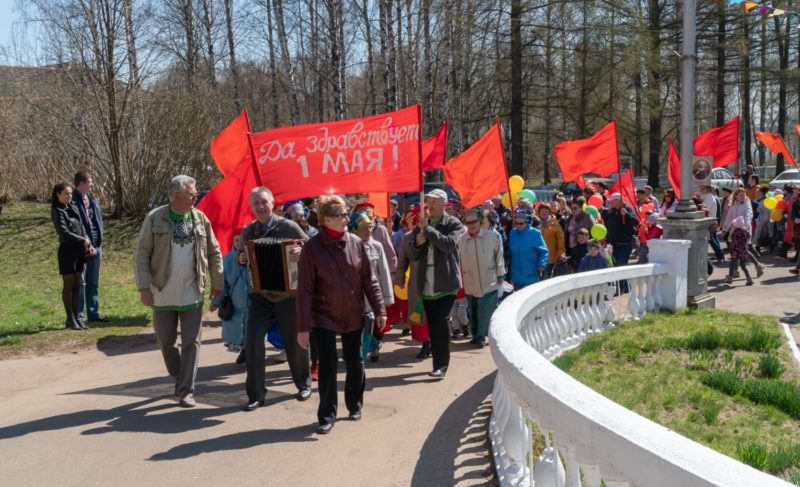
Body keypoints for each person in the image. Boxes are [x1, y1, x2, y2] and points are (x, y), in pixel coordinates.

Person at [296, 195, 386, 435]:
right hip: (324, 314)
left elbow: (369, 279)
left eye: (346, 213)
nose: (346, 218)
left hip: (354, 312)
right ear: (326, 220)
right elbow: (304, 290)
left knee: (355, 361)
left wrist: (379, 309)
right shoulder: (312, 249)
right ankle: (326, 415)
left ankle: (354, 404)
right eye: (341, 215)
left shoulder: (356, 243)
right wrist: (303, 327)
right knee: (327, 364)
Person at [134, 175, 223, 408]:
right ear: (176, 196)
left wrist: (217, 283)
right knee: (166, 341)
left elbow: (214, 252)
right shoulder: (155, 218)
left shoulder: (200, 219)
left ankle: (186, 390)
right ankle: (179, 375)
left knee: (191, 342)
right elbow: (141, 255)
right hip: (162, 290)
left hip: (193, 290)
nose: (196, 197)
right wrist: (144, 288)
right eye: (192, 194)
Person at [240, 187, 311, 411]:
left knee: (295, 341)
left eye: (264, 202)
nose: (260, 207)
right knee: (252, 341)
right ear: (251, 207)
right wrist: (241, 258)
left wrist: (302, 252)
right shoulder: (249, 231)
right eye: (256, 204)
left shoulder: (288, 226)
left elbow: (312, 247)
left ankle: (303, 383)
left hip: (288, 294)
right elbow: (244, 259)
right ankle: (256, 395)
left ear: (273, 203)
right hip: (260, 295)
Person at [406, 189, 464, 379]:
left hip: (446, 282)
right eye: (428, 202)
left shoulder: (453, 223)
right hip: (427, 283)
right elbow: (412, 254)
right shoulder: (423, 223)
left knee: (440, 322)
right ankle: (437, 364)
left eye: (433, 203)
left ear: (444, 205)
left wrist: (428, 231)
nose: (429, 206)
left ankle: (441, 366)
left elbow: (448, 245)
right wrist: (417, 242)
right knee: (432, 325)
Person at [350, 210, 394, 362]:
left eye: (370, 227)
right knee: (356, 327)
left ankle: (366, 351)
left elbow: (384, 272)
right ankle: (363, 351)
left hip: (372, 296)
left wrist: (387, 297)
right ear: (354, 229)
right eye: (364, 228)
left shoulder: (377, 246)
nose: (368, 231)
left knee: (369, 325)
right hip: (353, 297)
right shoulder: (347, 246)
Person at [457, 208, 505, 348]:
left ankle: (482, 336)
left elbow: (498, 256)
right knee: (473, 308)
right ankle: (475, 334)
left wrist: (500, 273)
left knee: (486, 309)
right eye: (468, 222)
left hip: (488, 279)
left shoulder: (490, 236)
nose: (472, 224)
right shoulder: (462, 240)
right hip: (470, 280)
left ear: (479, 221)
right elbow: (458, 260)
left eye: (474, 221)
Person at [52, 182, 95, 331]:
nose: (69, 196)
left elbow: (82, 227)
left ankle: (77, 317)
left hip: (79, 251)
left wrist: (88, 243)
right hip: (67, 252)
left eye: (70, 193)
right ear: (58, 194)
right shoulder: (57, 211)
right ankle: (70, 318)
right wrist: (83, 240)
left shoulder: (73, 208)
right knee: (69, 286)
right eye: (66, 194)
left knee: (78, 285)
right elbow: (64, 232)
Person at [72, 171, 109, 323]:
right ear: (81, 183)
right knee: (81, 282)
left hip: (97, 246)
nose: (92, 185)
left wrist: (98, 241)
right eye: (90, 182)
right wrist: (85, 242)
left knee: (93, 281)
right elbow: (75, 225)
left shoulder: (93, 199)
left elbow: (97, 221)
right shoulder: (72, 201)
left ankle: (93, 314)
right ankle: (79, 316)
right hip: (81, 248)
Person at [395, 205, 431, 354]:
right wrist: (400, 279)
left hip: (435, 281)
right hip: (416, 282)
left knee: (433, 314)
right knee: (419, 313)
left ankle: (433, 341)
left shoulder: (434, 234)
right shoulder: (407, 237)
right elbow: (402, 261)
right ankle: (425, 343)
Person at [210, 230, 250, 364]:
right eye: (236, 240)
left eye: (242, 240)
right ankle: (244, 351)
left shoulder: (255, 255)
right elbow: (223, 285)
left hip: (254, 305)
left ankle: (251, 352)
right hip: (236, 305)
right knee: (238, 331)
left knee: (253, 332)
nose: (239, 243)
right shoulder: (227, 260)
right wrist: (216, 301)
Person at [721, 187, 765, 277]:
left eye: (744, 195)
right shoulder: (733, 204)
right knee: (736, 250)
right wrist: (725, 228)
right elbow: (729, 216)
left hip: (743, 231)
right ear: (736, 196)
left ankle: (757, 266)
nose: (743, 197)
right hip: (734, 231)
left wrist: (745, 226)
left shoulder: (746, 203)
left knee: (742, 250)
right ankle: (736, 271)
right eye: (740, 195)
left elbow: (749, 214)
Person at [601, 193, 639, 293]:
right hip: (613, 245)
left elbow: (636, 222)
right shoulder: (611, 212)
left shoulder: (628, 209)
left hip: (625, 244)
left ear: (619, 200)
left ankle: (621, 288)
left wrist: (626, 214)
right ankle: (625, 287)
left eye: (612, 201)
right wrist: (607, 240)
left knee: (620, 264)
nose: (610, 202)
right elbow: (608, 227)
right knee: (617, 266)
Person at [507, 209, 549, 289]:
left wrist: (542, 264)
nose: (518, 225)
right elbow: (510, 249)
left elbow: (544, 251)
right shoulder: (513, 233)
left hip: (531, 275)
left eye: (521, 223)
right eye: (516, 223)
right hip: (516, 276)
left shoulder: (535, 233)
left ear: (527, 222)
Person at [352, 201, 398, 274]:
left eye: (370, 217)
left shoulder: (381, 230)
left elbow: (390, 254)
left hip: (379, 274)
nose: (368, 221)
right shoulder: (352, 233)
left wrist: (392, 273)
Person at [537, 203, 567, 278]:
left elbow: (560, 239)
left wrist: (561, 253)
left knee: (546, 280)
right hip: (535, 258)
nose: (544, 213)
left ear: (549, 213)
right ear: (539, 212)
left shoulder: (555, 224)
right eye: (542, 211)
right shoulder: (534, 223)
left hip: (549, 258)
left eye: (546, 211)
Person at [725, 216, 754, 286]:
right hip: (743, 251)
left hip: (736, 251)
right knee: (743, 265)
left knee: (732, 264)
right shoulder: (745, 231)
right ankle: (749, 279)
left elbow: (733, 241)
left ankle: (730, 279)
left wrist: (731, 249)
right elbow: (748, 237)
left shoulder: (735, 232)